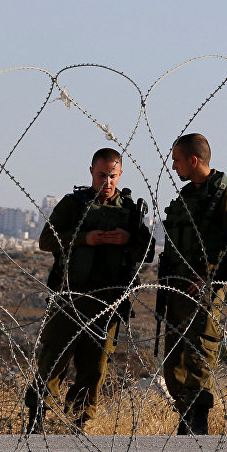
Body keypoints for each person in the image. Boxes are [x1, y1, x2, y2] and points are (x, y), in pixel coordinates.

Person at [25, 147, 154, 433]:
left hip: (107, 301)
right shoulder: (74, 204)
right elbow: (47, 240)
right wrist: (84, 239)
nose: (106, 182)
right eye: (101, 175)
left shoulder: (130, 212)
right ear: (91, 173)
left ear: (120, 175)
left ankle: (78, 422)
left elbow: (147, 252)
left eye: (112, 176)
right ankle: (38, 417)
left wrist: (127, 238)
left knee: (94, 368)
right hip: (70, 296)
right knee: (53, 359)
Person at [159, 133, 227, 435]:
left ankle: (198, 419)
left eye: (177, 160)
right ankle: (185, 413)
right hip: (177, 289)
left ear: (193, 160)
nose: (173, 166)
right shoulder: (187, 196)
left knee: (200, 357)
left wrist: (210, 278)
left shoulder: (225, 194)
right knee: (173, 363)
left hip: (204, 291)